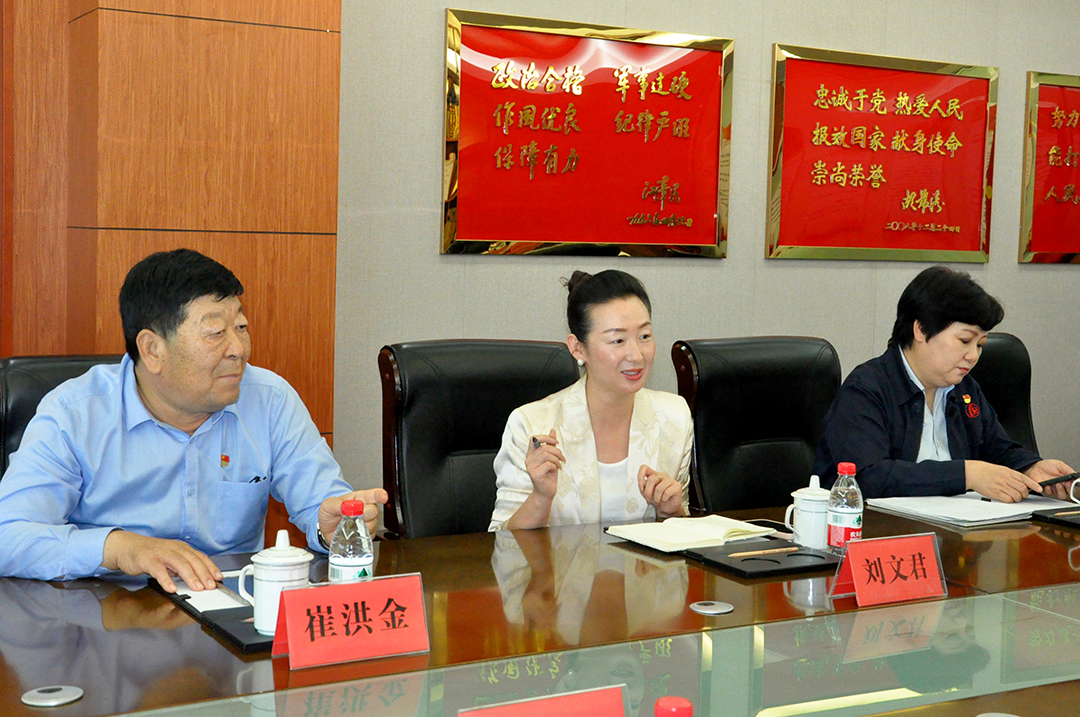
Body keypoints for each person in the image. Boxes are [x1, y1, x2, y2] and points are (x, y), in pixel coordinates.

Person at [0, 249, 387, 591]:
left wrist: (330, 528)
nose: (238, 349)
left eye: (241, 327)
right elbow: (8, 537)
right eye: (216, 332)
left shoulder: (269, 399)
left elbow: (323, 502)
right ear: (153, 349)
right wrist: (119, 548)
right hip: (108, 615)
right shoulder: (75, 414)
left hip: (233, 612)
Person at [813, 265, 1075, 502]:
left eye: (980, 345)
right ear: (920, 329)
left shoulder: (964, 389)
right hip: (886, 532)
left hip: (960, 532)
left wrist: (1030, 467)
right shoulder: (867, 389)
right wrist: (966, 474)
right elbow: (867, 478)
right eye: (965, 341)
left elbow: (997, 448)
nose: (973, 356)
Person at [489, 270, 693, 530]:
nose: (636, 355)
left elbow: (682, 537)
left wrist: (672, 511)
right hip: (556, 560)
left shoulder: (674, 417)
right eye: (617, 340)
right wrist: (541, 497)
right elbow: (501, 541)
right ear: (578, 348)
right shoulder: (531, 425)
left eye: (644, 336)